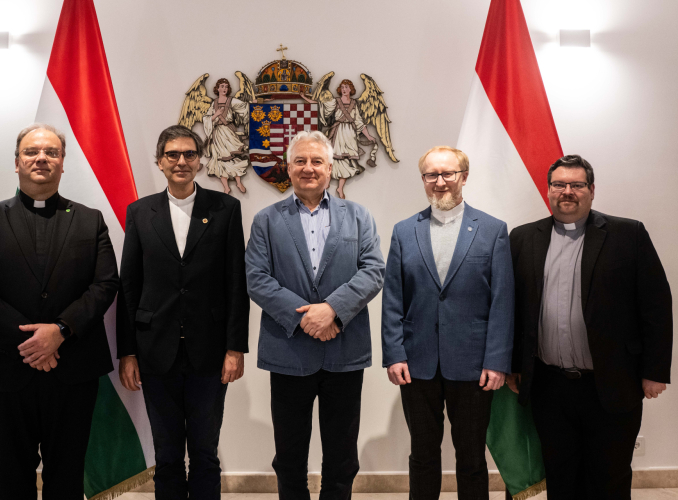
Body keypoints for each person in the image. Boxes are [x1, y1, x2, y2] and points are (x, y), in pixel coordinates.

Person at [0, 124, 119, 499]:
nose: (41, 158)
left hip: (73, 368)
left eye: (51, 152)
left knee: (67, 477)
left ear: (63, 162)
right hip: (3, 369)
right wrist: (33, 343)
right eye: (31, 152)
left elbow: (105, 284)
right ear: (17, 162)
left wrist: (59, 330)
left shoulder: (90, 220)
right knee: (11, 478)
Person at [506, 155, 672, 499]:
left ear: (592, 190)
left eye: (577, 185)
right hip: (549, 387)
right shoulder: (522, 238)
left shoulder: (628, 234)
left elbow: (656, 306)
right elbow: (514, 310)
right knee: (560, 477)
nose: (567, 191)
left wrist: (655, 371)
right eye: (559, 184)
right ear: (548, 190)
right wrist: (513, 366)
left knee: (609, 478)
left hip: (612, 383)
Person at [245, 130, 385, 500]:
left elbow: (373, 271)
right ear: (288, 168)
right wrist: (305, 318)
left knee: (342, 456)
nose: (309, 168)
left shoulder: (359, 217)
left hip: (345, 350)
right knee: (289, 456)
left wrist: (332, 310)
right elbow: (256, 279)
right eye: (301, 161)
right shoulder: (266, 220)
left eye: (317, 161)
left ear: (330, 168)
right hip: (288, 351)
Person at [117, 125, 249, 500]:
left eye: (189, 154)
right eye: (172, 154)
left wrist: (235, 348)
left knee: (205, 453)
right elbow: (129, 286)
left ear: (200, 161)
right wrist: (127, 352)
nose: (181, 161)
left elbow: (236, 282)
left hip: (210, 352)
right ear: (160, 162)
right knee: (168, 454)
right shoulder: (140, 212)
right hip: (155, 351)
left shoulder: (225, 209)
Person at [381, 146, 514, 500]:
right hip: (416, 363)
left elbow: (502, 302)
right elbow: (393, 298)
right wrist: (394, 354)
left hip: (474, 365)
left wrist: (497, 361)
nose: (439, 182)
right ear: (423, 179)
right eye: (431, 175)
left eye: (448, 174)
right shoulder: (404, 231)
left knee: (471, 457)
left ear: (463, 177)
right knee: (422, 455)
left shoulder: (493, 230)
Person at [301, 80, 377, 199]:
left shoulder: (354, 103)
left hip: (350, 134)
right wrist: (305, 98)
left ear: (350, 89)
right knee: (332, 158)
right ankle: (327, 182)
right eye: (342, 87)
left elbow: (359, 122)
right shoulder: (335, 101)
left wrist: (368, 136)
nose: (344, 89)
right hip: (338, 132)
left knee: (346, 161)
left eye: (346, 87)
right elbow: (320, 105)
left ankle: (340, 187)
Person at [203, 78, 250, 194]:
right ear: (217, 88)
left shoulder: (231, 101)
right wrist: (216, 115)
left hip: (229, 132)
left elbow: (244, 107)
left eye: (226, 86)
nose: (224, 88)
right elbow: (206, 118)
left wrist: (253, 103)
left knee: (233, 156)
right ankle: (226, 187)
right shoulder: (214, 103)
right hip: (218, 134)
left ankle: (238, 182)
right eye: (222, 86)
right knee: (220, 159)